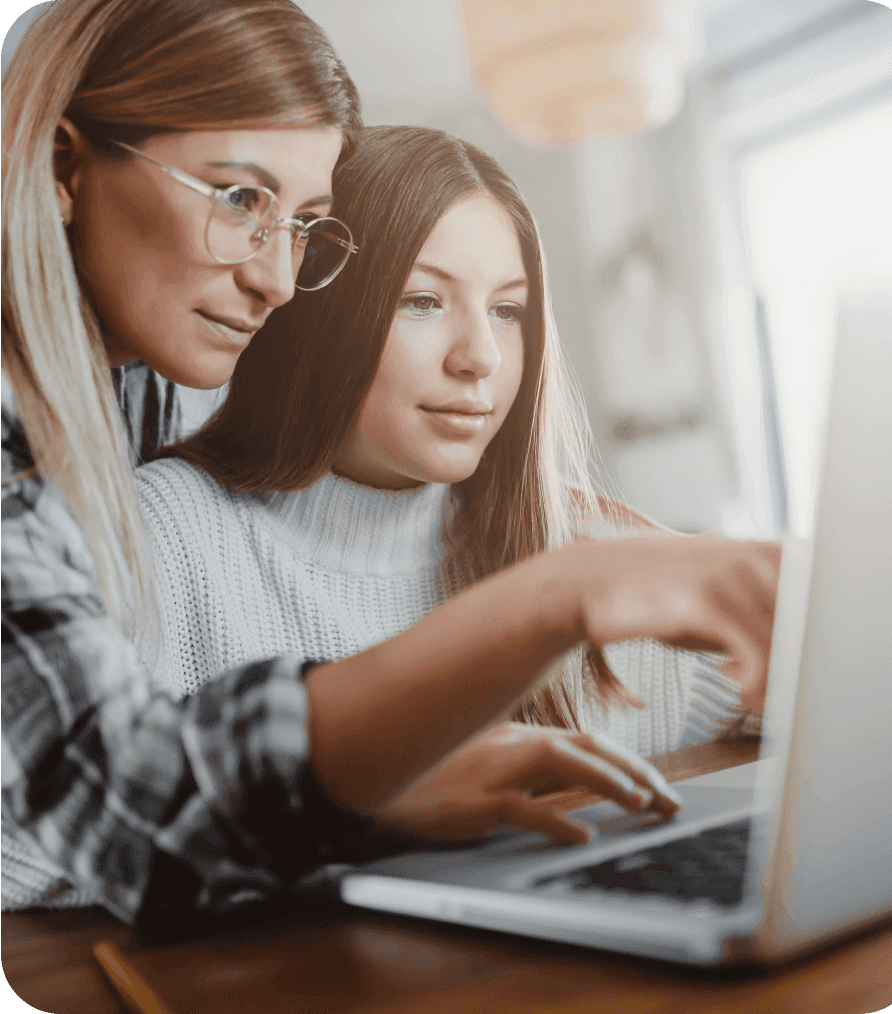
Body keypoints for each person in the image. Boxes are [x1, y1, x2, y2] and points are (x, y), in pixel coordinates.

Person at [1, 0, 778, 935]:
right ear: (60, 168)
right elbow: (106, 814)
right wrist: (560, 591)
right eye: (240, 198)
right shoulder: (121, 487)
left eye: (303, 226)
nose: (277, 283)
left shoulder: (146, 371)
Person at [139, 125, 759, 777]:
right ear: (316, 315)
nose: (481, 358)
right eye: (423, 301)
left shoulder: (582, 548)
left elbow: (836, 683)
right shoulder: (169, 536)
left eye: (507, 310)